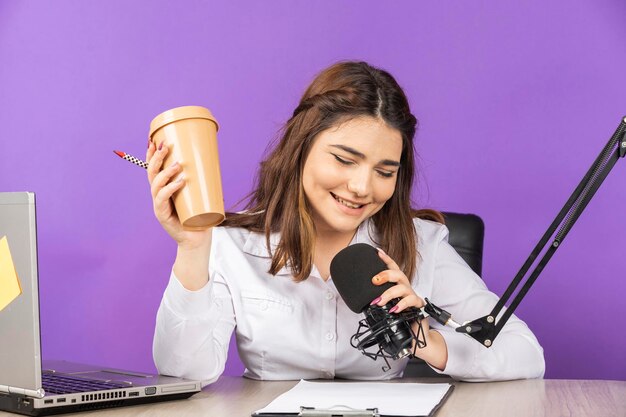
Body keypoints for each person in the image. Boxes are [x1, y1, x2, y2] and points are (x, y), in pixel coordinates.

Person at [147, 61, 545, 385]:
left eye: (384, 171)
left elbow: (525, 353)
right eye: (344, 159)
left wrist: (419, 336)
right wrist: (193, 247)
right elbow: (185, 373)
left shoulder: (421, 243)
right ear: (300, 149)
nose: (361, 187)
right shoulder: (233, 243)